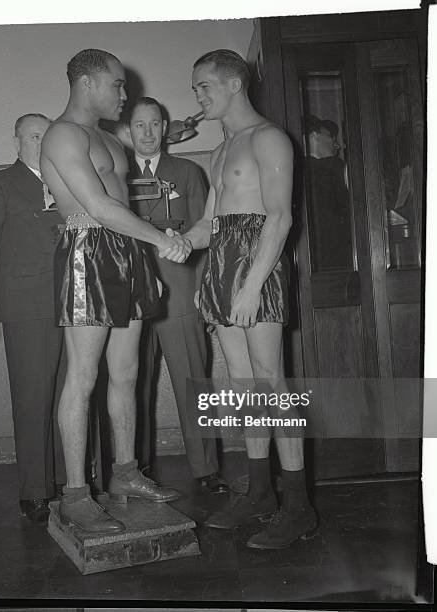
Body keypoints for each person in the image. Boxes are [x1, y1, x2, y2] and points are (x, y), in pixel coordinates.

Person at [40, 49, 191, 535]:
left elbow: (120, 205)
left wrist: (148, 244)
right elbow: (100, 207)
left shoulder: (108, 137)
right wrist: (163, 239)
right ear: (88, 83)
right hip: (88, 250)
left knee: (126, 372)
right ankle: (77, 493)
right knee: (83, 377)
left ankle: (125, 473)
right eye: (117, 85)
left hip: (128, 254)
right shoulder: (62, 133)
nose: (124, 95)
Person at [183, 49, 317, 549]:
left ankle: (299, 507)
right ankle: (260, 492)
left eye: (203, 86)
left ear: (234, 83)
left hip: (259, 265)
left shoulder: (269, 138)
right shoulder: (221, 149)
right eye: (196, 88)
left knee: (271, 380)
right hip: (223, 263)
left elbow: (279, 218)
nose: (197, 96)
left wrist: (253, 284)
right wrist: (176, 242)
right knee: (242, 384)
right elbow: (209, 225)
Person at [0, 114, 66, 524]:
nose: (42, 142)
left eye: (47, 135)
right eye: (35, 135)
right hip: (27, 307)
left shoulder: (70, 182)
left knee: (67, 396)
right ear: (18, 140)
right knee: (32, 399)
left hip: (74, 304)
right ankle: (34, 491)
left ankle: (65, 480)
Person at [127, 97, 228, 493]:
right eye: (139, 125)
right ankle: (135, 467)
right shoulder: (114, 175)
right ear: (128, 131)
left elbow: (208, 235)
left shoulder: (187, 172)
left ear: (165, 127)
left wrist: (205, 290)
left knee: (193, 380)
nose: (148, 133)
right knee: (132, 382)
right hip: (132, 292)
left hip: (181, 291)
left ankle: (206, 468)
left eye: (155, 124)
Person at [306, 115, 353, 271]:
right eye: (331, 137)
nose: (336, 144)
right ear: (314, 136)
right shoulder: (338, 167)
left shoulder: (293, 168)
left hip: (311, 258)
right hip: (339, 255)